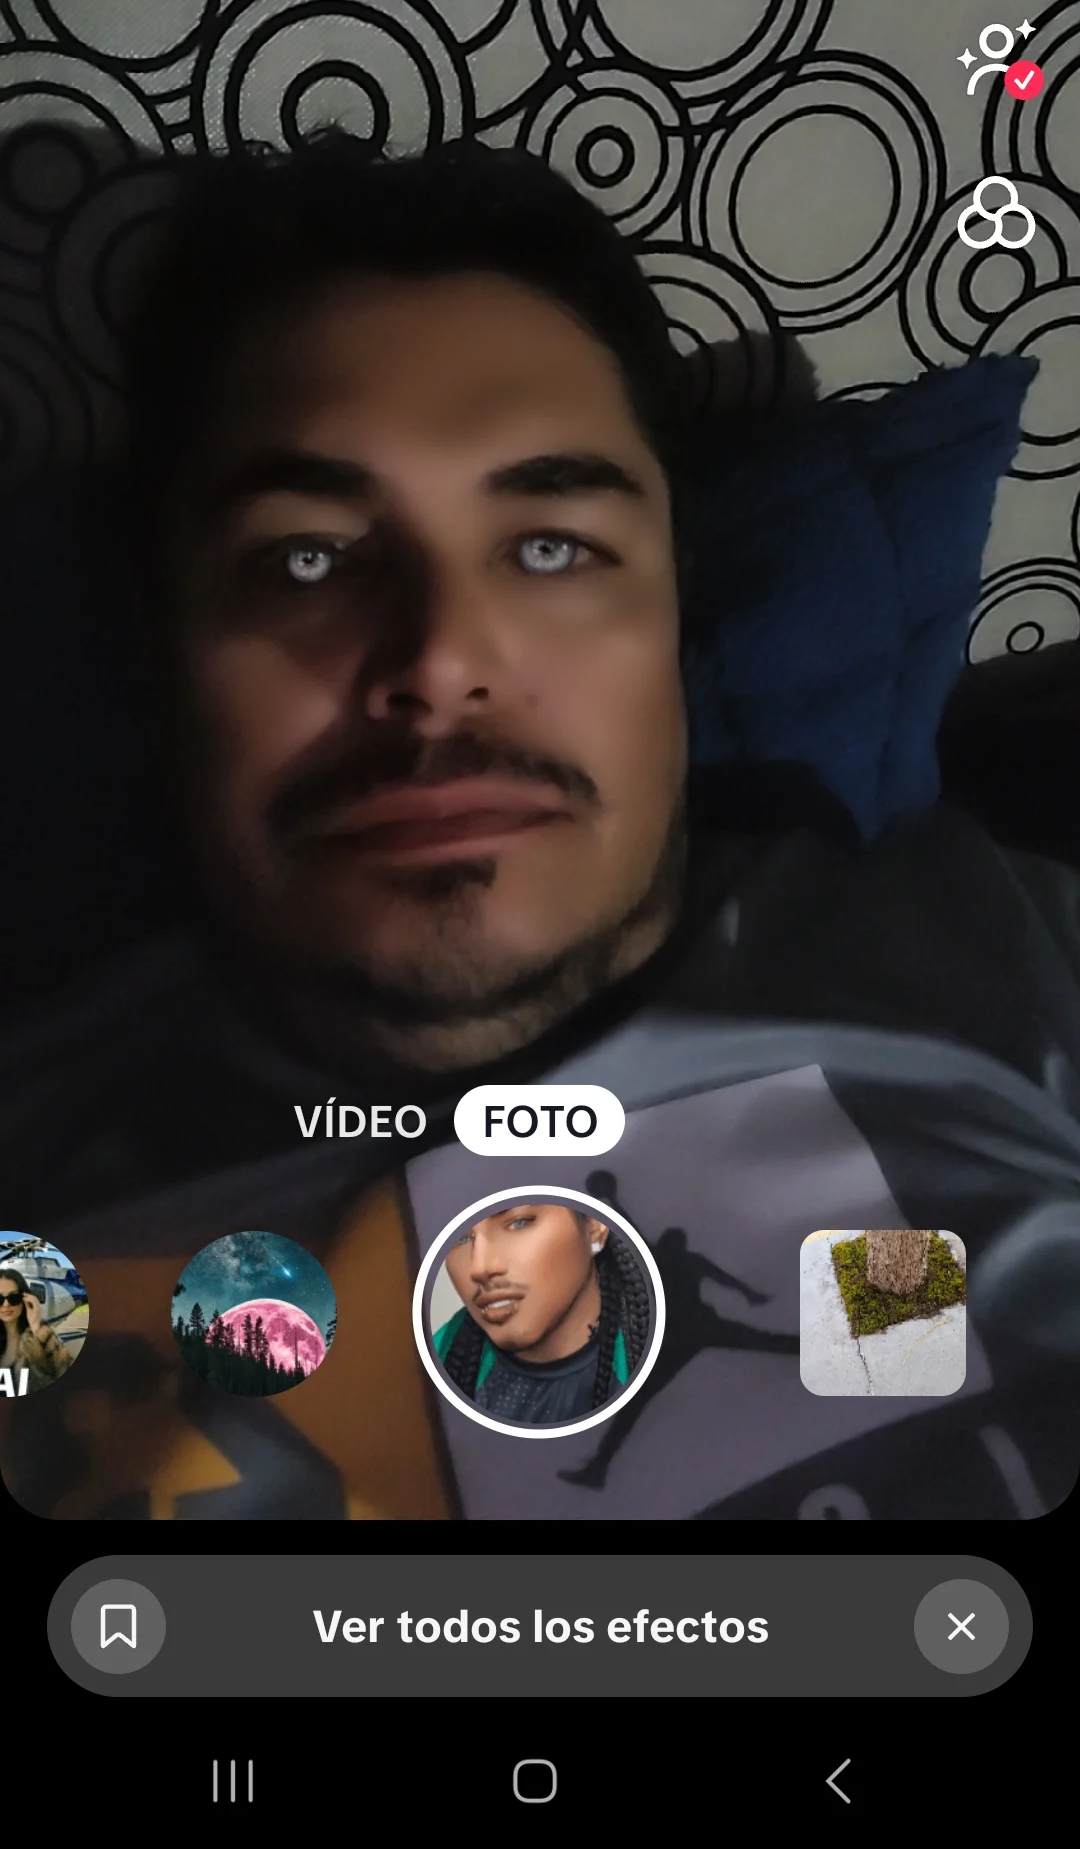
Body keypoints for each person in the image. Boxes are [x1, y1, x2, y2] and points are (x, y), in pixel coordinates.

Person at [2, 132, 1080, 1522]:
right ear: (163, 655)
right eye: (306, 558)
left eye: (552, 546)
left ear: (674, 619)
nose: (443, 658)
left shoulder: (1012, 957)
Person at [435, 1200, 650, 1426]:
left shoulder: (660, 1356)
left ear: (595, 1225)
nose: (480, 1267)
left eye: (519, 1223)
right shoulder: (440, 1357)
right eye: (459, 1238)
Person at [0, 1269, 73, 1393]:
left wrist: (36, 1328)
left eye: (14, 1298)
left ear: (25, 1299)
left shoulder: (40, 1335)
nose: (6, 1305)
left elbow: (62, 1372)